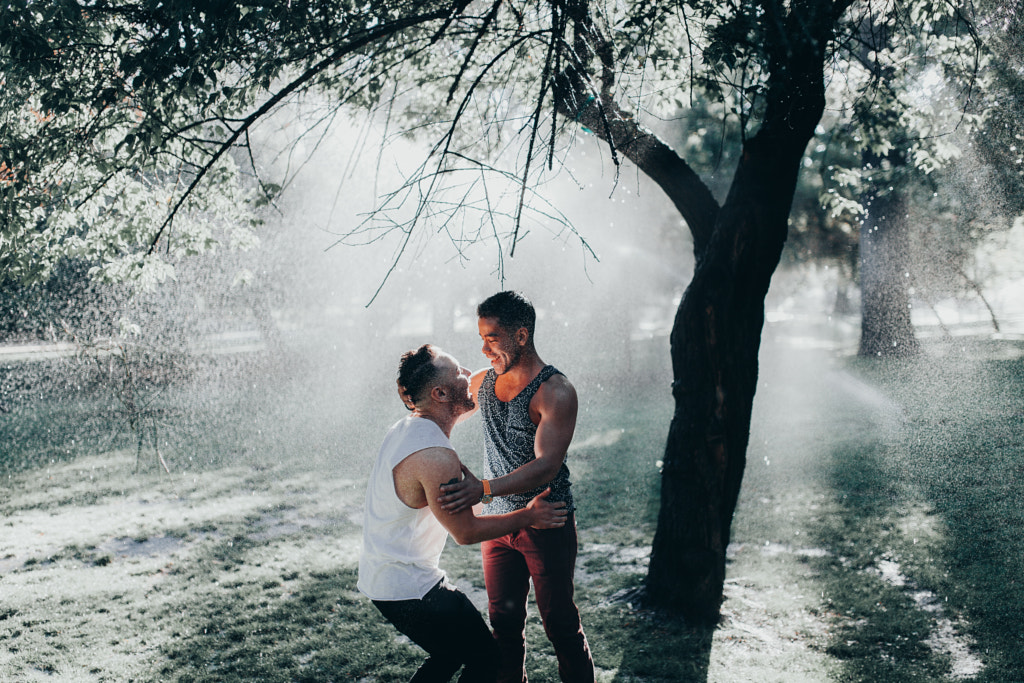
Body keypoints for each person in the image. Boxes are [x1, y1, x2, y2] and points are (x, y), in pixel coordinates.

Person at [358, 343, 568, 683]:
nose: (468, 375)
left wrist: (508, 358)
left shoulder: (409, 426)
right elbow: (466, 532)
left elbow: (479, 382)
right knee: (487, 661)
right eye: (458, 373)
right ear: (441, 393)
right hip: (412, 590)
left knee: (449, 655)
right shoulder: (435, 456)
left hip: (386, 580)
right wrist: (529, 516)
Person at [438, 291, 595, 683]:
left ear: (521, 335)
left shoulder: (555, 391)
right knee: (503, 626)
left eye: (492, 338)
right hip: (498, 523)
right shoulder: (485, 382)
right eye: (481, 337)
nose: (483, 348)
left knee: (559, 625)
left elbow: (546, 467)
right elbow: (437, 407)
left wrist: (484, 490)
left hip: (546, 521)